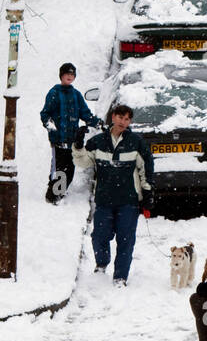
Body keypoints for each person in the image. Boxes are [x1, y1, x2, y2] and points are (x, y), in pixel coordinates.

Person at [73, 103, 154, 287]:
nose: (123, 122)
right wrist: (78, 146)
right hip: (104, 199)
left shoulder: (136, 142)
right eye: (120, 117)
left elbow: (146, 167)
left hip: (128, 201)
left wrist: (148, 191)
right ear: (112, 118)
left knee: (125, 239)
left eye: (127, 119)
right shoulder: (99, 141)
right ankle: (101, 265)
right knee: (99, 236)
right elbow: (83, 162)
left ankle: (120, 277)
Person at [39, 63, 100, 203]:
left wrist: (97, 122)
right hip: (58, 140)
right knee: (58, 169)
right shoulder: (54, 93)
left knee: (69, 170)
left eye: (72, 75)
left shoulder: (76, 95)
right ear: (61, 76)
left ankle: (60, 192)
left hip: (71, 140)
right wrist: (51, 126)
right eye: (67, 74)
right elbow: (45, 114)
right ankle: (53, 196)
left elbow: (85, 113)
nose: (69, 77)